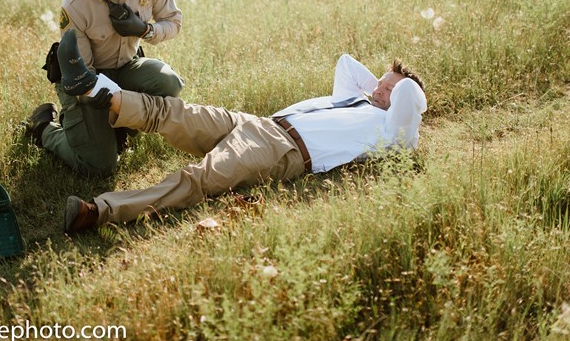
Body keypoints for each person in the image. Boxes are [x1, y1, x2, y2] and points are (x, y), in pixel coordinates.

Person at [50, 28, 427, 233]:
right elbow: (346, 63)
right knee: (173, 111)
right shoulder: (357, 98)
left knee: (197, 179)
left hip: (282, 151)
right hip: (256, 123)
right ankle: (95, 89)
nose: (380, 88)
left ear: (406, 105)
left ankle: (99, 212)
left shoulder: (393, 130)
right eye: (380, 81)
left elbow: (411, 94)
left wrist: (401, 90)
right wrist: (380, 85)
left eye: (390, 89)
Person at [23, 0, 185, 176]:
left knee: (169, 82)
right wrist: (99, 93)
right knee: (99, 166)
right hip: (84, 79)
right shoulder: (75, 2)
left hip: (127, 66)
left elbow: (173, 22)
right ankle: (44, 127)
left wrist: (144, 29)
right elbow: (83, 71)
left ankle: (116, 130)